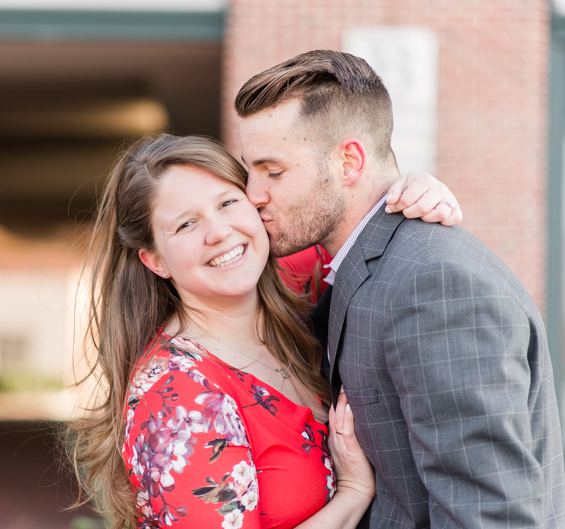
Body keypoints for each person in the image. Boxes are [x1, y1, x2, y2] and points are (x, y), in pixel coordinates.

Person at [235, 50, 565, 527]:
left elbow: (492, 515)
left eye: (274, 171)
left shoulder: (434, 285)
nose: (253, 194)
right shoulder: (365, 264)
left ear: (349, 161)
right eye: (250, 170)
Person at [68, 133, 462, 529]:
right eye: (187, 224)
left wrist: (412, 194)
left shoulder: (297, 281)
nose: (219, 232)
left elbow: (361, 217)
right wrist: (353, 494)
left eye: (227, 203)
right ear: (155, 260)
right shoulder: (175, 395)